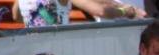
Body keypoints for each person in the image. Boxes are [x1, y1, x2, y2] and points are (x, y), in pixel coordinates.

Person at [12, 0, 145, 27]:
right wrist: (126, 11)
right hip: (57, 49)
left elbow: (16, 16)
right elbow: (101, 11)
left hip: (31, 47)